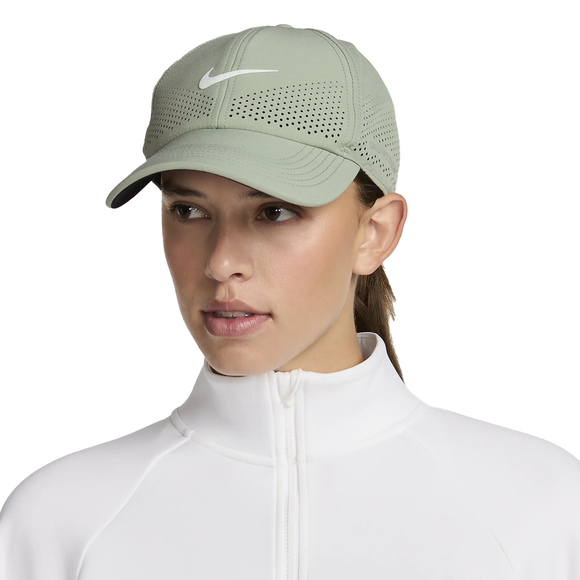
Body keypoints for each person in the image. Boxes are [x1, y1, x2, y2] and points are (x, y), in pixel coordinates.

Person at [1, 24, 579, 579]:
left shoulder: (536, 508)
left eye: (275, 212)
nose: (220, 261)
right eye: (189, 210)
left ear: (374, 232)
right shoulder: (59, 522)